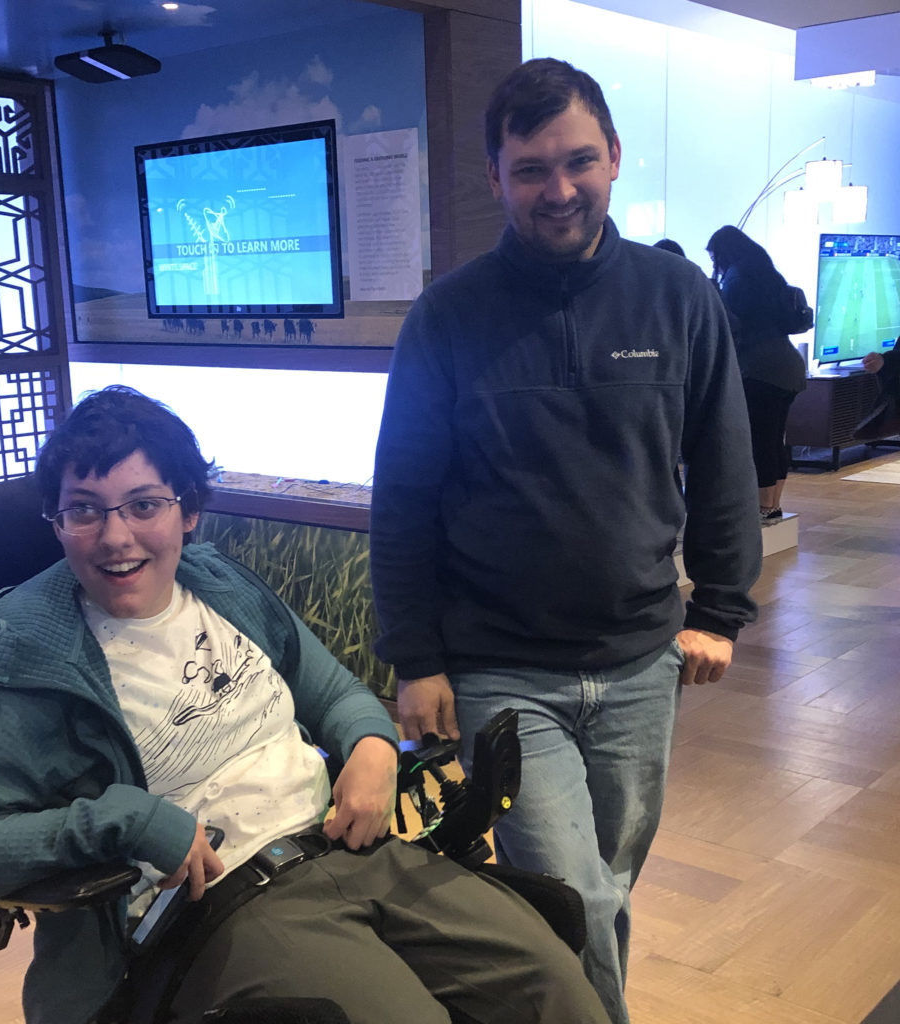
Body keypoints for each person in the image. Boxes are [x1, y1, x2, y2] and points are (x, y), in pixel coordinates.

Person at [0, 386, 609, 1024]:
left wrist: (369, 743)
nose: (116, 536)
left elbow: (331, 688)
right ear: (55, 523)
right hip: (221, 904)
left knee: (556, 986)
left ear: (187, 511)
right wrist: (127, 820)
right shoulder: (20, 653)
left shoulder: (216, 583)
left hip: (354, 845)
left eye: (144, 505)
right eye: (84, 511)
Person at [368, 58, 761, 1024]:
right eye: (532, 168)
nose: (560, 189)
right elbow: (404, 497)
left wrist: (719, 609)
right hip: (503, 666)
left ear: (615, 157)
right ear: (495, 177)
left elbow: (722, 462)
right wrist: (416, 658)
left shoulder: (678, 299)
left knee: (606, 885)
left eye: (579, 161)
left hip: (640, 664)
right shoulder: (448, 318)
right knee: (572, 892)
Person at [706, 225, 808, 521]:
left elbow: (731, 325)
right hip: (788, 367)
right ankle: (773, 504)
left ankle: (763, 508)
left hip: (761, 369)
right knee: (775, 439)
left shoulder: (737, 278)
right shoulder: (767, 274)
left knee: (760, 440)